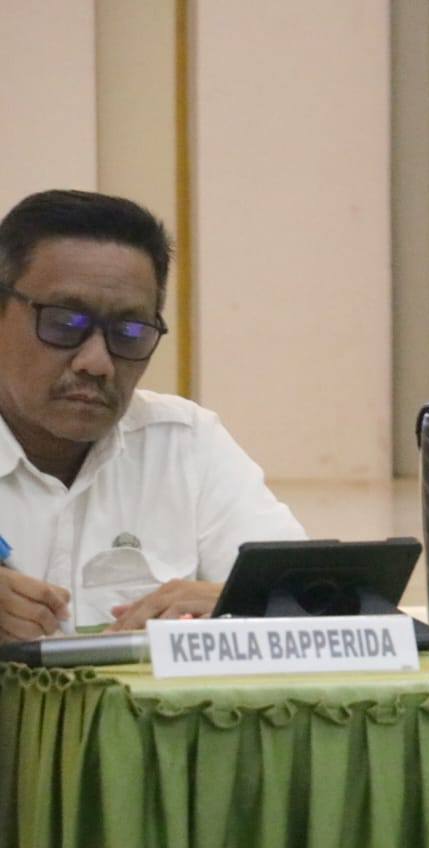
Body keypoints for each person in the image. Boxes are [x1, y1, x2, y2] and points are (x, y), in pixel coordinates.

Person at [0, 190, 304, 640]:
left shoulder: (185, 444)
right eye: (64, 323)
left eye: (129, 332)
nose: (97, 363)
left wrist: (240, 605)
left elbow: (314, 597)